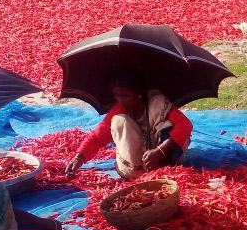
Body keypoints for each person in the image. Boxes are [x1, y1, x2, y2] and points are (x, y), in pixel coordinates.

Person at [64, 74, 192, 179]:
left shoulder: (157, 103)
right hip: (135, 164)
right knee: (120, 121)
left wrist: (159, 151)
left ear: (139, 94)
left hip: (162, 157)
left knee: (168, 125)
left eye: (125, 96)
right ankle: (139, 171)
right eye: (117, 96)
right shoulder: (119, 110)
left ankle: (164, 166)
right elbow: (97, 137)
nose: (120, 100)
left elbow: (185, 125)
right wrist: (79, 158)